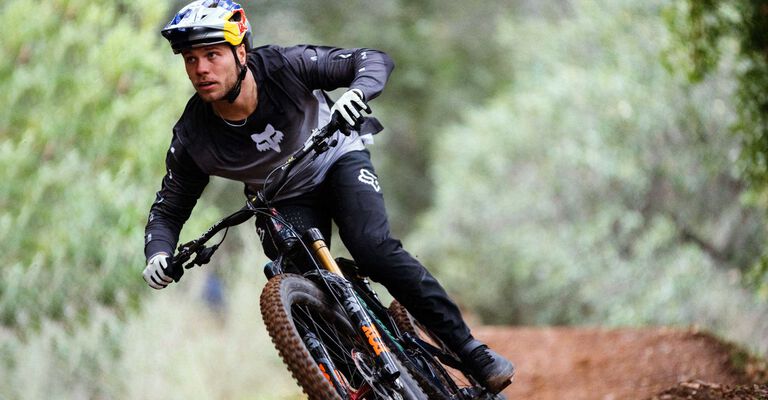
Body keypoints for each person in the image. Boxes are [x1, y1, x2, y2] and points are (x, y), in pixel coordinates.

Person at [142, 0, 515, 393]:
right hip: (281, 199)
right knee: (299, 280)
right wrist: (157, 254)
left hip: (336, 159)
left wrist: (358, 92)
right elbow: (169, 208)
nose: (200, 69)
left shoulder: (285, 66)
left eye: (212, 55)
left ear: (241, 53)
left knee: (371, 247)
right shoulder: (194, 136)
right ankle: (359, 382)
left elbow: (372, 60)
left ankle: (472, 352)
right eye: (190, 59)